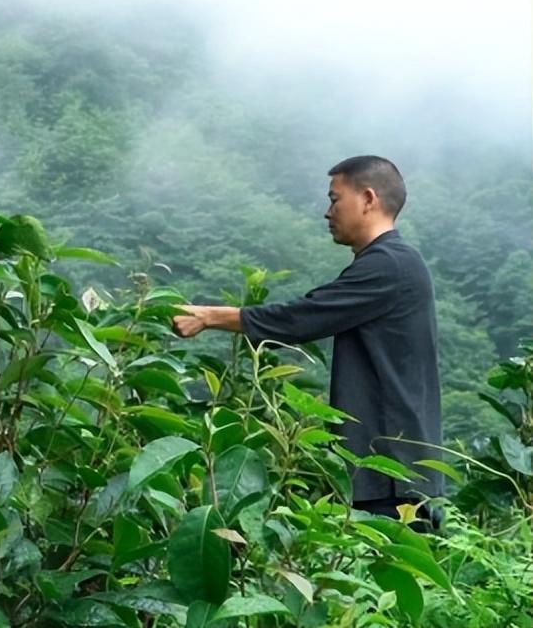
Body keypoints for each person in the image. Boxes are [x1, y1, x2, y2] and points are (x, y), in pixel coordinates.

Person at [171, 156, 442, 530]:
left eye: (335, 199)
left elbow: (301, 317)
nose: (328, 212)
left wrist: (208, 316)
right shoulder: (391, 262)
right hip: (388, 472)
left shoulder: (390, 264)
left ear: (368, 199)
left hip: (391, 475)